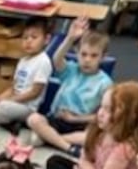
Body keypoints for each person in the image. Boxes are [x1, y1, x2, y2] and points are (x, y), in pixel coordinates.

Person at [26, 17, 112, 156]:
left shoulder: (105, 83)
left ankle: (51, 138)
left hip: (80, 124)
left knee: (96, 136)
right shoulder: (71, 70)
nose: (87, 60)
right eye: (83, 54)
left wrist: (75, 119)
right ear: (76, 53)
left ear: (103, 57)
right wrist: (70, 38)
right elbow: (56, 59)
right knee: (33, 119)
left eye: (94, 56)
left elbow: (104, 116)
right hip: (57, 119)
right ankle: (67, 147)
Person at [0, 17, 53, 134]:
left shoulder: (43, 61)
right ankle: (7, 124)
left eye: (34, 37)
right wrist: (0, 98)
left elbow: (34, 93)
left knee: (2, 108)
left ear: (46, 39)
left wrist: (10, 100)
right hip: (13, 101)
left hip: (27, 107)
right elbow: (13, 87)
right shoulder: (23, 61)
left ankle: (6, 120)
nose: (28, 41)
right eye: (25, 38)